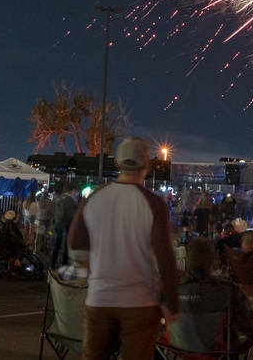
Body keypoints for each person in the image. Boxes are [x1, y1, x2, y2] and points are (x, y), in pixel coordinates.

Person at [67, 138, 179, 360]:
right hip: (140, 302)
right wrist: (171, 302)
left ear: (117, 162)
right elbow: (165, 257)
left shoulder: (94, 198)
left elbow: (76, 245)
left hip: (100, 299)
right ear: (146, 166)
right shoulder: (153, 204)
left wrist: (93, 264)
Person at [179, 237, 253, 353]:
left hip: (179, 348)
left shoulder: (172, 290)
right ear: (214, 261)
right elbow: (251, 328)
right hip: (218, 351)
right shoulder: (228, 290)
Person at [50, 187, 78, 269]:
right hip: (66, 224)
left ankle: (52, 263)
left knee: (56, 244)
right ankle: (63, 264)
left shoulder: (58, 200)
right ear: (71, 191)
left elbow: (53, 211)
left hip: (57, 224)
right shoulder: (72, 201)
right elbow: (72, 215)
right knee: (65, 245)